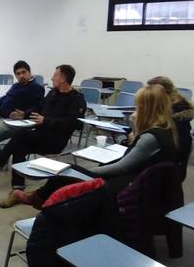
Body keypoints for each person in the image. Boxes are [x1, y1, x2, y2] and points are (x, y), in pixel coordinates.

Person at [17, 84, 177, 209]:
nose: (134, 112)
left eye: (137, 107)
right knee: (70, 171)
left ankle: (41, 200)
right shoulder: (164, 130)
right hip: (138, 181)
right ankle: (40, 198)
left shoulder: (150, 138)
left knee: (68, 172)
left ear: (147, 110)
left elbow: (121, 167)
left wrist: (86, 173)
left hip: (131, 185)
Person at [0, 65, 87, 208]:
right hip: (40, 135)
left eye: (55, 75)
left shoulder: (77, 98)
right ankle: (17, 191)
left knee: (21, 135)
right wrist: (24, 114)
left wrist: (46, 121)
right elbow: (39, 108)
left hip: (55, 140)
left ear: (62, 78)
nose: (52, 77)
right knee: (19, 147)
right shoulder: (53, 93)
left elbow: (76, 123)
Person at [147, 76, 193, 181]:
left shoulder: (176, 111)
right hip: (171, 158)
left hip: (173, 160)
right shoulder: (169, 104)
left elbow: (179, 146)